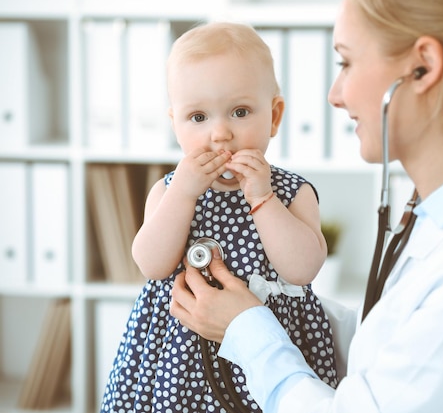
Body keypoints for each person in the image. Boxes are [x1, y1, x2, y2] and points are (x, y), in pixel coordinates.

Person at [169, 0, 443, 412]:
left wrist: (247, 329)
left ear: (423, 67)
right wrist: (269, 300)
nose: (335, 95)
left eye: (346, 62)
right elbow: (402, 353)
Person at [100, 22, 338, 413]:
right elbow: (151, 264)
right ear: (175, 124)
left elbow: (303, 270)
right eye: (198, 118)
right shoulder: (168, 190)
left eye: (240, 112)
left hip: (264, 353)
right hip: (176, 356)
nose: (220, 133)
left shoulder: (293, 193)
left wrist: (262, 198)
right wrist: (183, 194)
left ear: (274, 116)